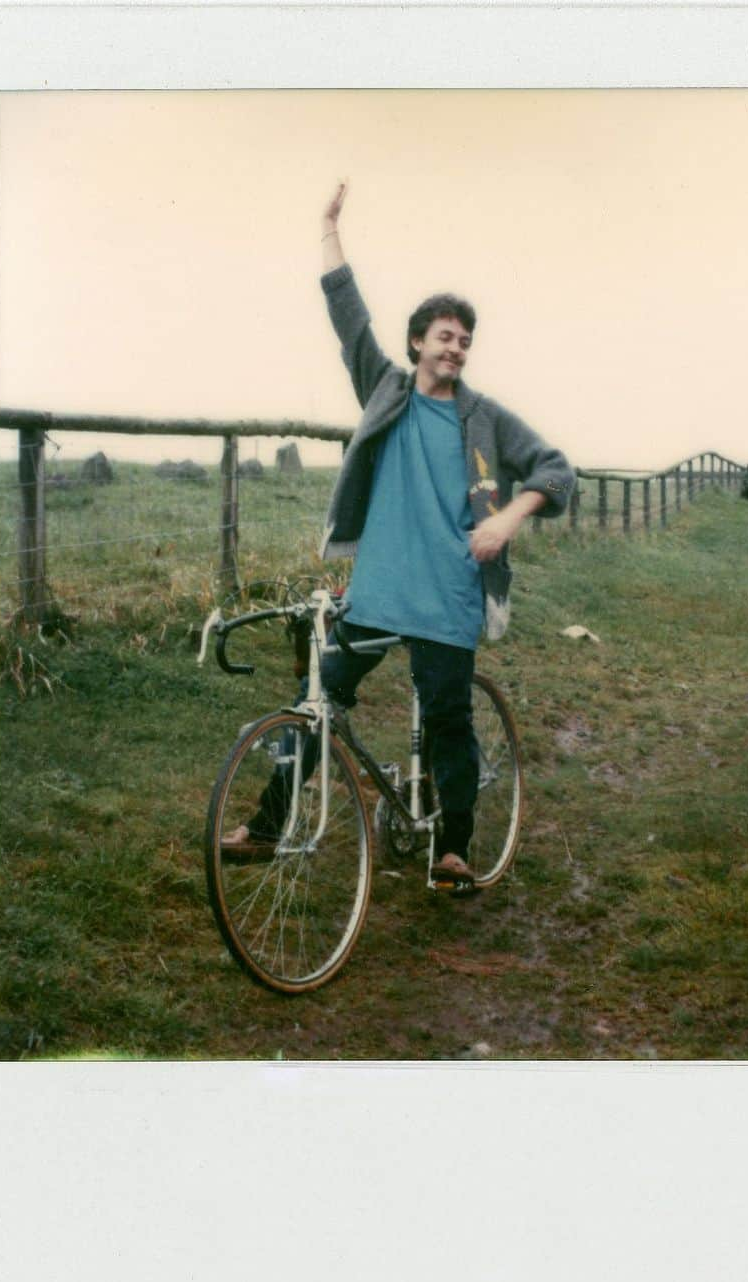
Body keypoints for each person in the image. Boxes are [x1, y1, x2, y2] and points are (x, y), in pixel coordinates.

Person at [222, 181, 574, 890]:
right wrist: (327, 227)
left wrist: (506, 519)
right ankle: (266, 826)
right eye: (445, 337)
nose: (457, 348)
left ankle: (452, 848)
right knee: (317, 706)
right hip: (377, 593)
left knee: (448, 723)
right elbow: (347, 315)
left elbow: (557, 471)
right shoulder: (384, 389)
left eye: (465, 341)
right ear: (418, 342)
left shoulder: (486, 417)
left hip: (447, 599)